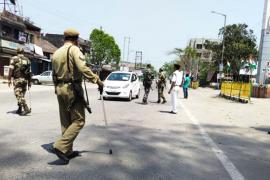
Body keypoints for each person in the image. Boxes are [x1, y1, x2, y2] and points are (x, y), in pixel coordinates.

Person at [51, 28, 104, 164]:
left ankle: (67, 151)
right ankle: (60, 146)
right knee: (79, 120)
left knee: (66, 121)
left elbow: (53, 73)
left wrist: (56, 88)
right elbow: (83, 68)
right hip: (72, 89)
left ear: (65, 39)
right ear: (75, 40)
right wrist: (97, 79)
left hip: (59, 88)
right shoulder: (74, 50)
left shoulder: (56, 52)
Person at [8, 47, 32, 116]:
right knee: (22, 94)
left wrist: (9, 79)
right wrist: (30, 82)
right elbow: (30, 72)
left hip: (17, 79)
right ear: (23, 52)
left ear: (17, 52)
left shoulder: (14, 59)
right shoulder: (27, 60)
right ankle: (19, 109)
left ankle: (26, 108)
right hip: (25, 80)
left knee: (18, 94)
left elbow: (11, 70)